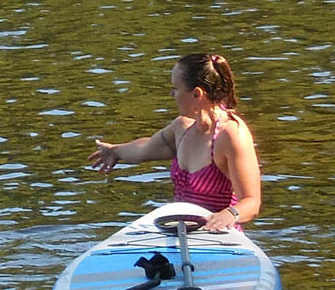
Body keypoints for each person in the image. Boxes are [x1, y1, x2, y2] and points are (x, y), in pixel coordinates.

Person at [88, 53, 261, 231]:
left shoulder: (231, 134)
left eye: (176, 89)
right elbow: (145, 149)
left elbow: (251, 202)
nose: (172, 94)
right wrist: (115, 151)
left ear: (196, 94)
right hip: (178, 232)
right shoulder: (182, 128)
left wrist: (230, 214)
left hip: (218, 238)